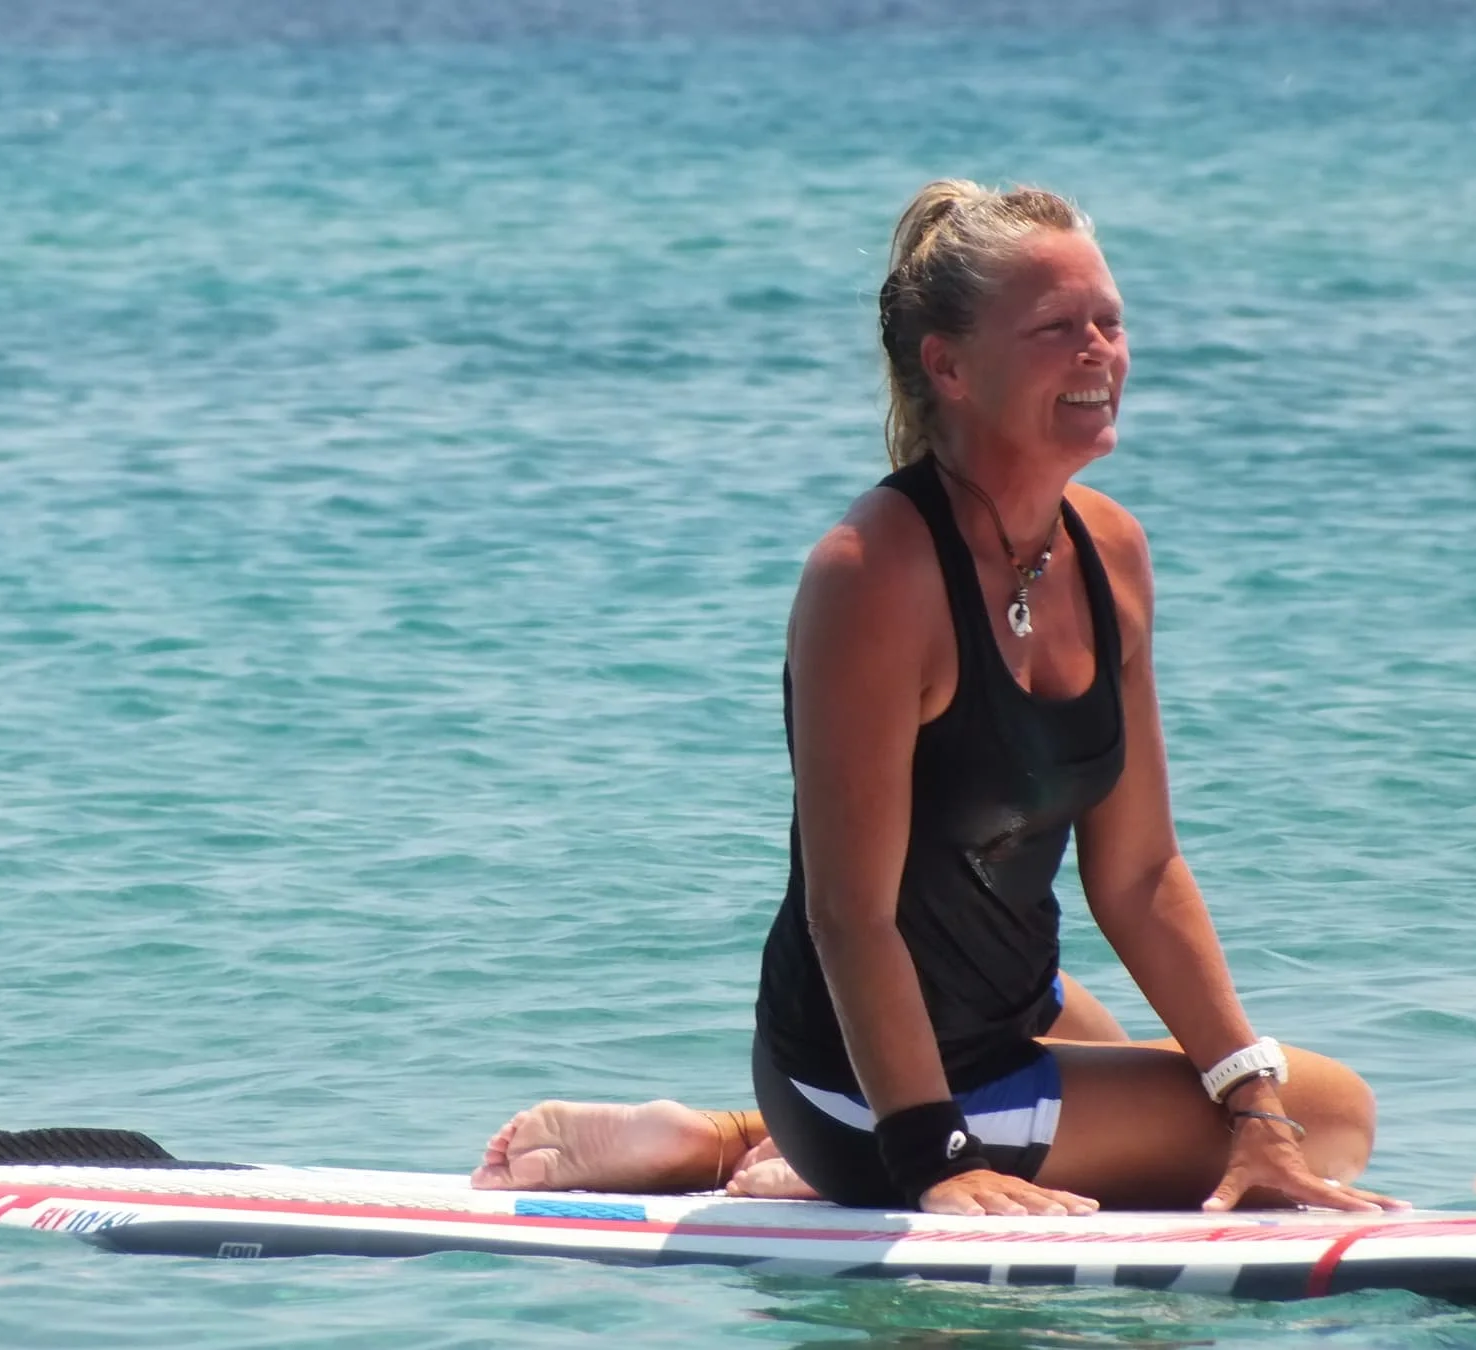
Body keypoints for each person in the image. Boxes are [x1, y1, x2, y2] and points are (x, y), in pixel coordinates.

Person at [475, 180, 1402, 1218]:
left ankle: (724, 1141)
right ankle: (788, 1140)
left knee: (1273, 1111)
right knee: (1338, 1116)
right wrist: (935, 1160)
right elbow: (850, 913)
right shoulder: (874, 574)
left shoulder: (1111, 553)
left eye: (1110, 321)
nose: (1099, 351)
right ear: (949, 367)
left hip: (1009, 1012)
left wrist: (1251, 1104)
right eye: (1056, 328)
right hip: (863, 1082)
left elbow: (1140, 872)